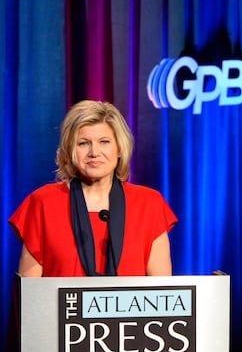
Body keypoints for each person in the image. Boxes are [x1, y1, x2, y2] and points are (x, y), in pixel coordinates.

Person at [9, 100, 178, 277]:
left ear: (119, 149)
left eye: (104, 142)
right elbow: (29, 296)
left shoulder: (149, 204)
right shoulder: (43, 202)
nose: (94, 152)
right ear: (69, 150)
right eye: (83, 143)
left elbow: (161, 293)